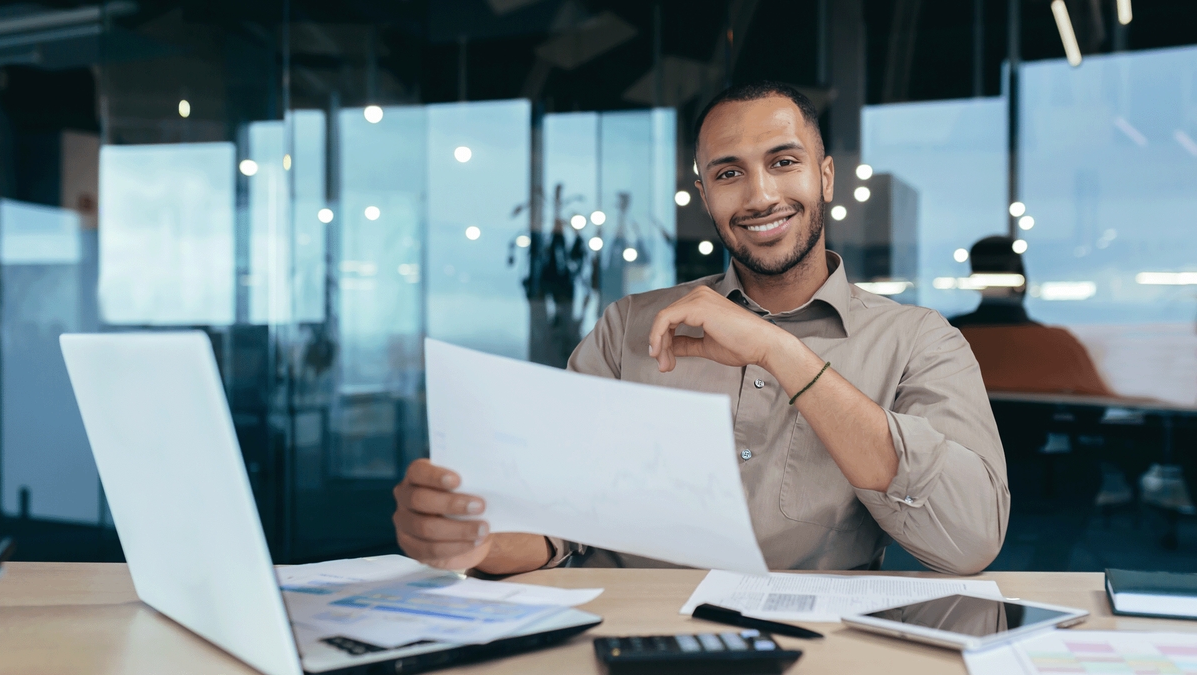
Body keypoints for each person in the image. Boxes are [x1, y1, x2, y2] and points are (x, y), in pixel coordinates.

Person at [392, 81, 1010, 576]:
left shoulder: (919, 341)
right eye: (729, 173)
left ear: (824, 176)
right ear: (705, 194)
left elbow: (970, 539)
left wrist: (779, 352)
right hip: (621, 639)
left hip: (814, 652)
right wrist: (468, 540)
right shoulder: (627, 328)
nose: (760, 195)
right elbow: (555, 523)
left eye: (783, 161)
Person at [949, 236, 1111, 396]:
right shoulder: (1059, 344)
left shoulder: (947, 340)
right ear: (1022, 281)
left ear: (974, 281)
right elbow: (1093, 409)